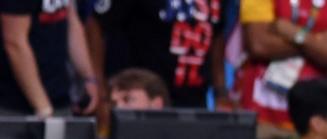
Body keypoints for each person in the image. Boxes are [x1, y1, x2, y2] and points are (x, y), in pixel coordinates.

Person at [233, 0, 327, 139]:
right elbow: (258, 45)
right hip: (263, 115)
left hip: (315, 124)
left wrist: (297, 34)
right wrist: (319, 42)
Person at [87, 0, 229, 122]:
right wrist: (100, 89)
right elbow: (95, 24)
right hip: (140, 98)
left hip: (194, 101)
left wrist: (221, 91)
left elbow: (216, 33)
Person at [0, 0, 99, 118]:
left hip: (59, 98)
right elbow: (14, 42)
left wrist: (89, 78)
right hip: (11, 105)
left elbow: (71, 21)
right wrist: (43, 107)